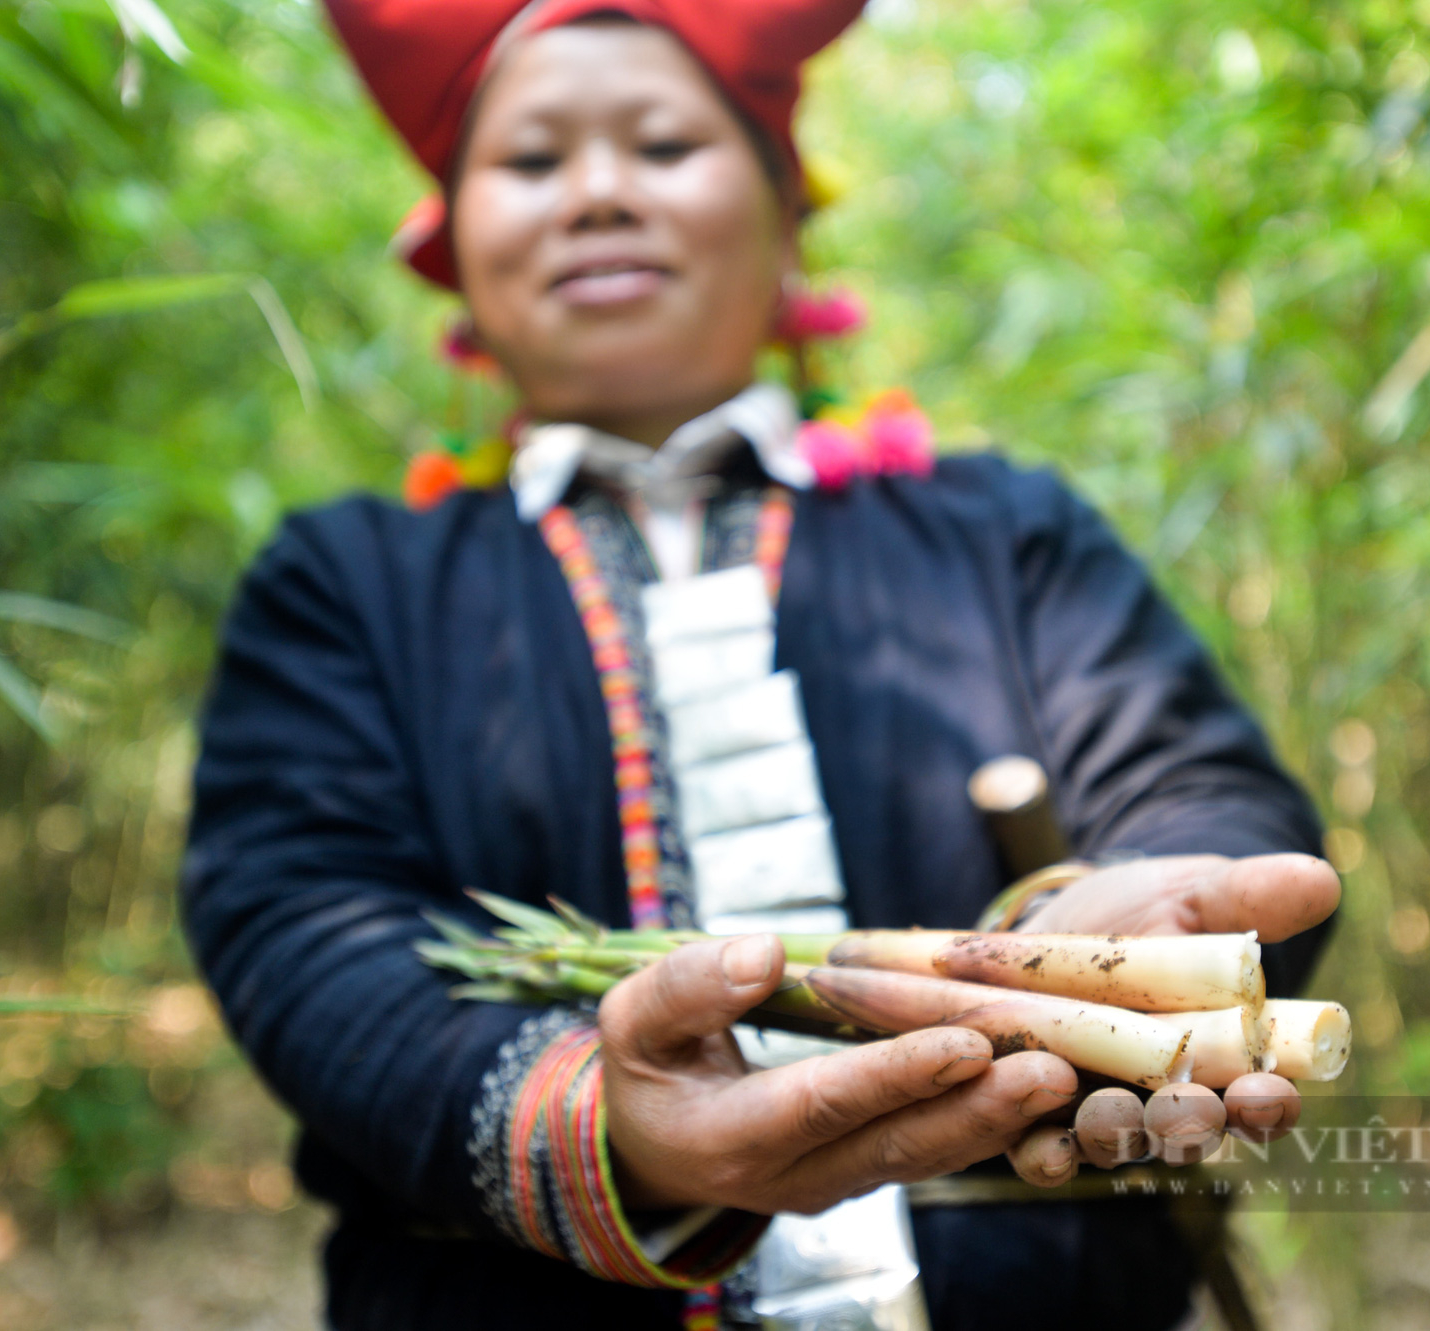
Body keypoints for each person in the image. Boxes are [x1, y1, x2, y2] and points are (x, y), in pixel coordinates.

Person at [180, 2, 1340, 1328]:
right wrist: (592, 1122)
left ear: (788, 211)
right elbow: (299, 920)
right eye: (533, 163)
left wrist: (1127, 943)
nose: (600, 193)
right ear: (454, 247)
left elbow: (1193, 787)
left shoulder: (1003, 531)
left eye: (664, 146)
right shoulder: (350, 582)